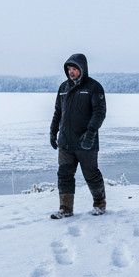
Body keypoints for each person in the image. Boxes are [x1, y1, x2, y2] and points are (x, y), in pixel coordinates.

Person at [49, 53, 107, 219]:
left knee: (91, 174)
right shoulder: (63, 88)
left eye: (74, 69)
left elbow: (99, 113)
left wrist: (90, 134)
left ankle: (100, 204)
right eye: (69, 69)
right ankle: (65, 208)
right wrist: (53, 132)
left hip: (85, 142)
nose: (71, 72)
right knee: (64, 174)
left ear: (82, 69)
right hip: (66, 142)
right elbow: (58, 112)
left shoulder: (94, 87)